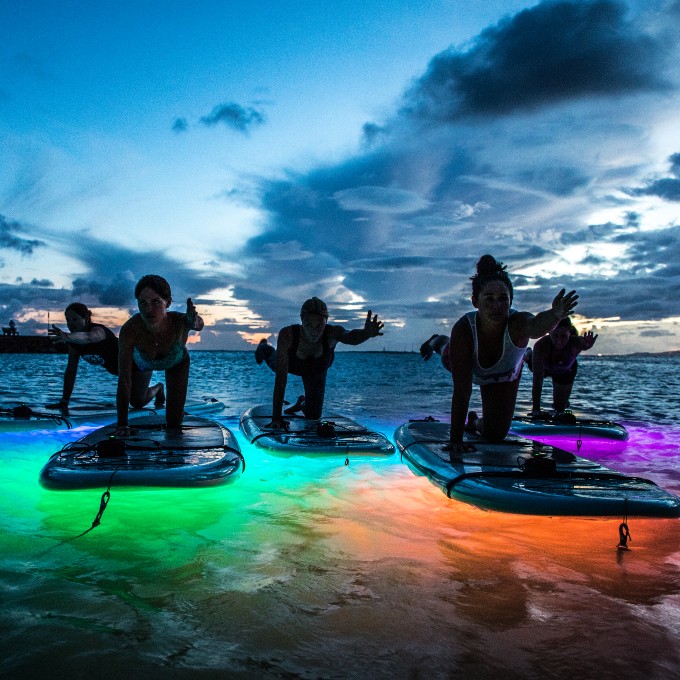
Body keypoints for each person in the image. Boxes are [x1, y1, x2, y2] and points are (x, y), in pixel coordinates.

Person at [419, 255, 578, 455]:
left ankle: (474, 422)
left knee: (495, 434)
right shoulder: (464, 329)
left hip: (505, 374)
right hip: (467, 364)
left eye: (504, 299)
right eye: (489, 298)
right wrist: (456, 439)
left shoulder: (518, 323)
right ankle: (437, 340)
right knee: (445, 349)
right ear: (475, 301)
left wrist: (555, 315)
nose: (497, 305)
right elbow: (462, 391)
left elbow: (537, 326)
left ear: (511, 302)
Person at [267, 297, 383, 429]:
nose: (314, 331)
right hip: (291, 365)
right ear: (301, 320)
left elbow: (350, 336)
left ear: (326, 321)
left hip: (316, 369)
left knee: (313, 415)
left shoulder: (332, 333)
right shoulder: (287, 335)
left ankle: (301, 403)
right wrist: (276, 417)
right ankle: (263, 347)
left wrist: (366, 333)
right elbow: (281, 379)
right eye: (309, 325)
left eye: (319, 325)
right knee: (270, 358)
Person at [115, 275, 204, 435]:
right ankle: (158, 389)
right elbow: (124, 380)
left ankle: (178, 411)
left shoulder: (180, 321)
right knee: (136, 402)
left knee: (174, 422)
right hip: (142, 362)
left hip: (175, 362)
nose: (149, 309)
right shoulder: (130, 329)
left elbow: (197, 324)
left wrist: (195, 321)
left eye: (156, 302)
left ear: (167, 302)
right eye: (143, 303)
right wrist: (122, 424)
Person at [46, 302, 163, 410]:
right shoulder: (74, 343)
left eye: (75, 319)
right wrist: (64, 401)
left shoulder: (98, 331)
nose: (71, 324)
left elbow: (88, 337)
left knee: (137, 403)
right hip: (122, 370)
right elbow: (71, 370)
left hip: (138, 363)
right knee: (130, 399)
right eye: (68, 320)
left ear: (86, 318)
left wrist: (66, 336)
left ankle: (158, 388)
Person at [525, 317, 598, 416]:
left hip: (565, 371)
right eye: (555, 335)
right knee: (528, 358)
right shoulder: (541, 346)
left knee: (559, 409)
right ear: (549, 332)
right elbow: (537, 381)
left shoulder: (576, 342)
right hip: (543, 367)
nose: (559, 341)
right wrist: (536, 409)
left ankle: (562, 403)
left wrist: (588, 345)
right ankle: (528, 352)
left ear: (569, 333)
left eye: (563, 336)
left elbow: (585, 345)